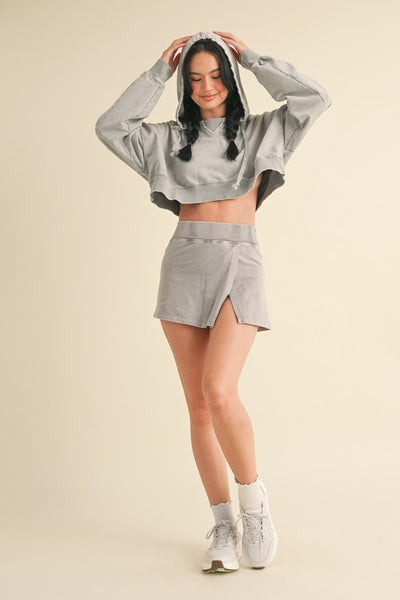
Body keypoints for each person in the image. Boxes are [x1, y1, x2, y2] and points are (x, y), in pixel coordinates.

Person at [95, 30, 331, 573]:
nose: (207, 87)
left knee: (220, 390)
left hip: (239, 259)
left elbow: (315, 97)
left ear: (231, 77)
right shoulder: (166, 139)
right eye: (196, 78)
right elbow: (111, 126)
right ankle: (223, 525)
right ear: (186, 84)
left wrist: (252, 58)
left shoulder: (262, 131)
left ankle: (254, 503)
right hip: (184, 261)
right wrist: (159, 69)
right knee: (198, 406)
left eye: (217, 75)